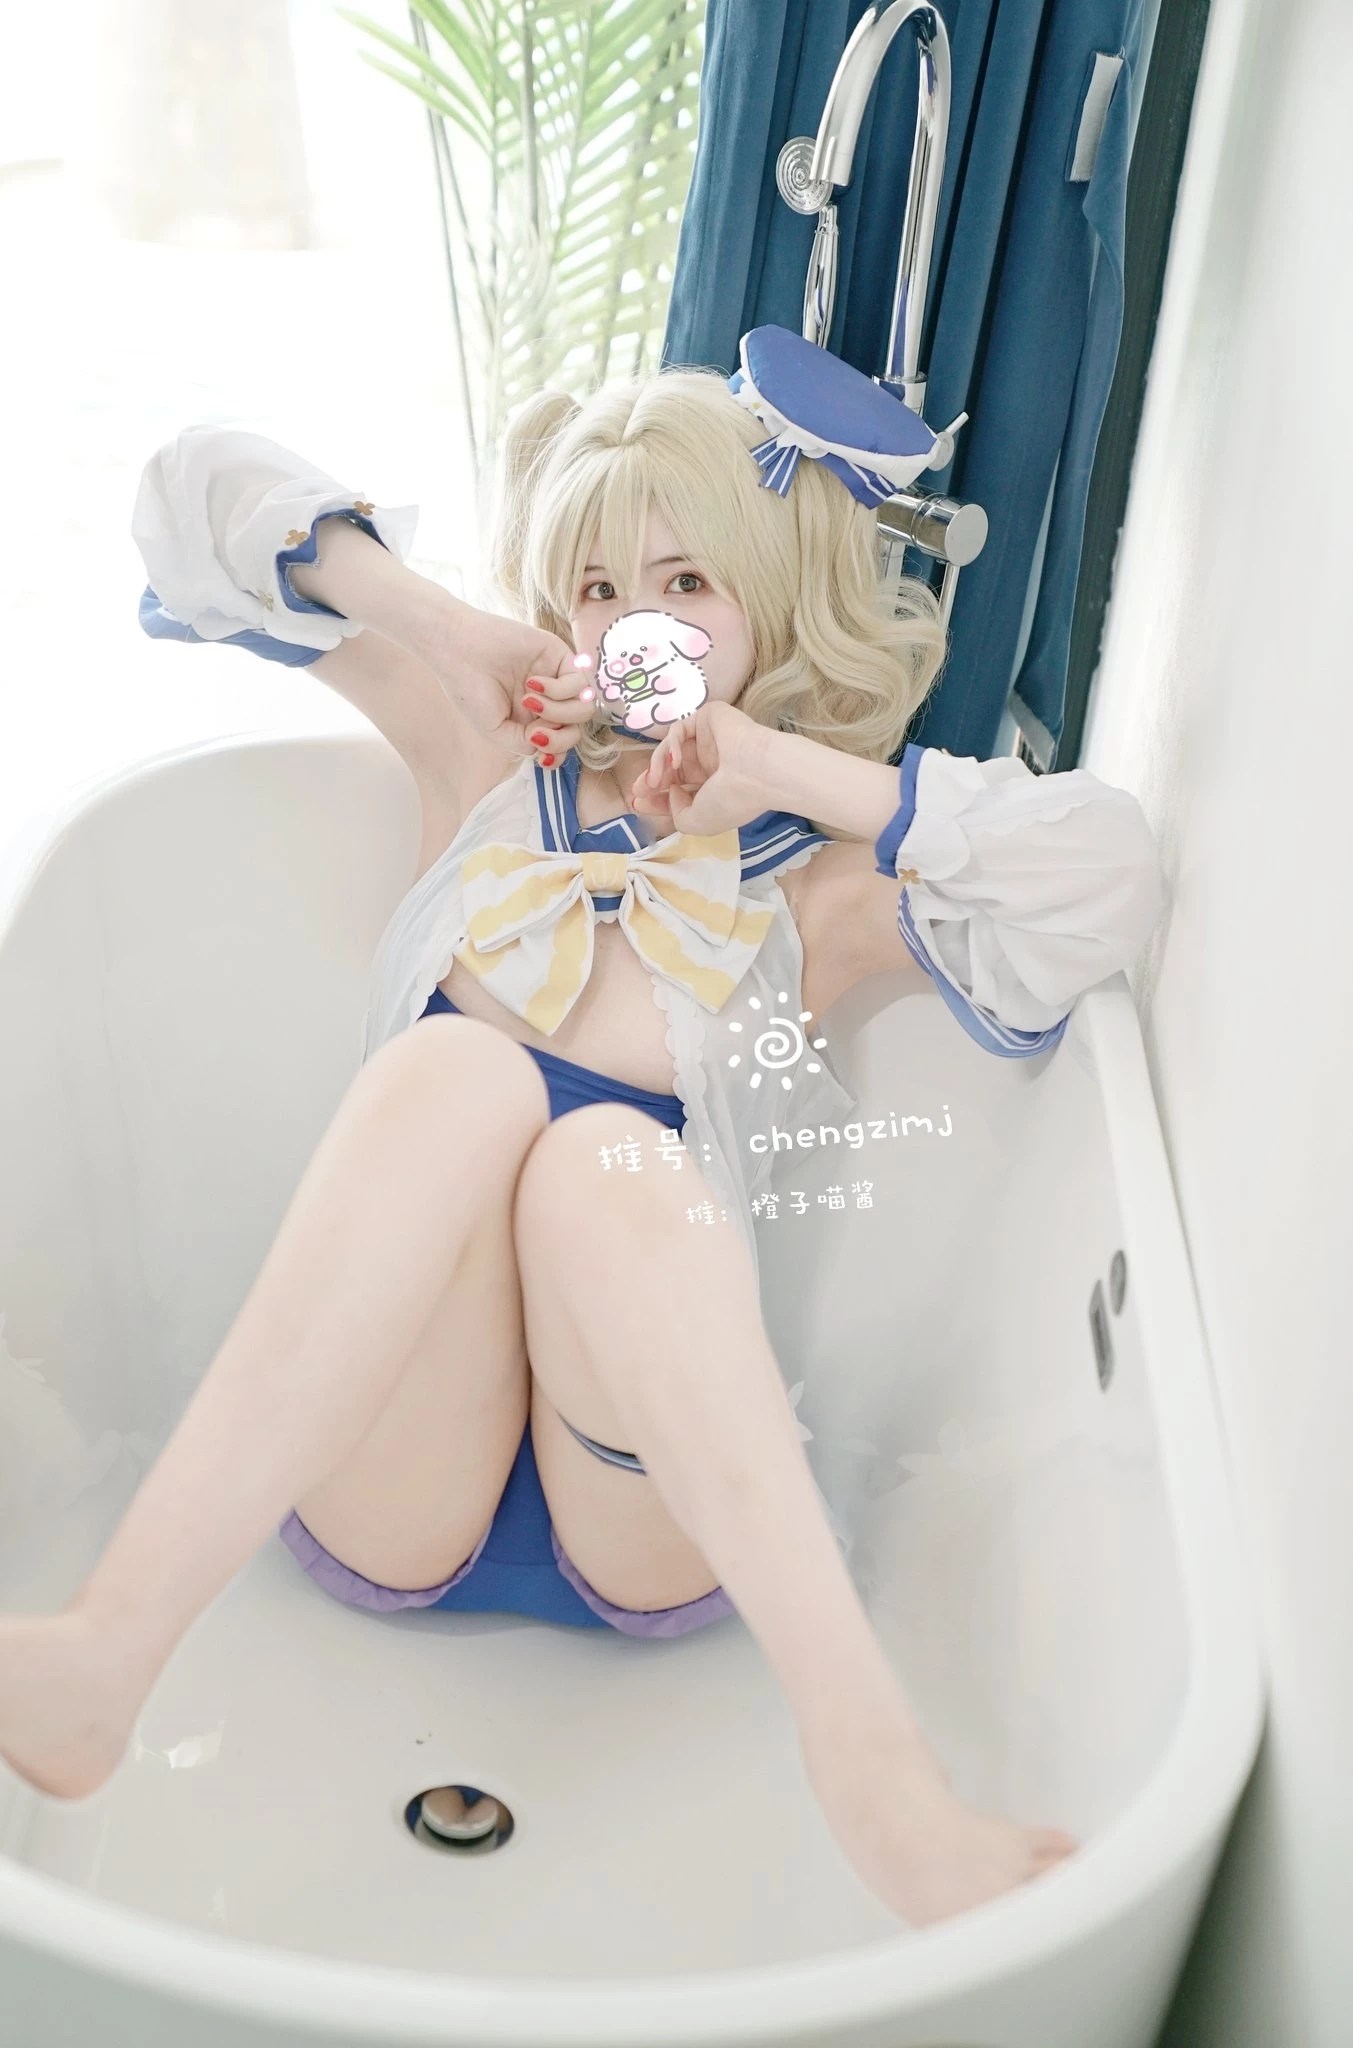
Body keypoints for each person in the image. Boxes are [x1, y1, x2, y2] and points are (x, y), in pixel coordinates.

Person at [0, 331, 1164, 1930]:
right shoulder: (485, 756)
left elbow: (1107, 876)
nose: (636, 625)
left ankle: (870, 1761)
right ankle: (108, 1649)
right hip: (391, 1469)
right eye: (599, 588)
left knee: (608, 1162)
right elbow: (188, 496)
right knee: (460, 1080)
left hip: (649, 1496)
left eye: (687, 581)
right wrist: (444, 625)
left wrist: (785, 773)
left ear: (770, 601)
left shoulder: (820, 892)